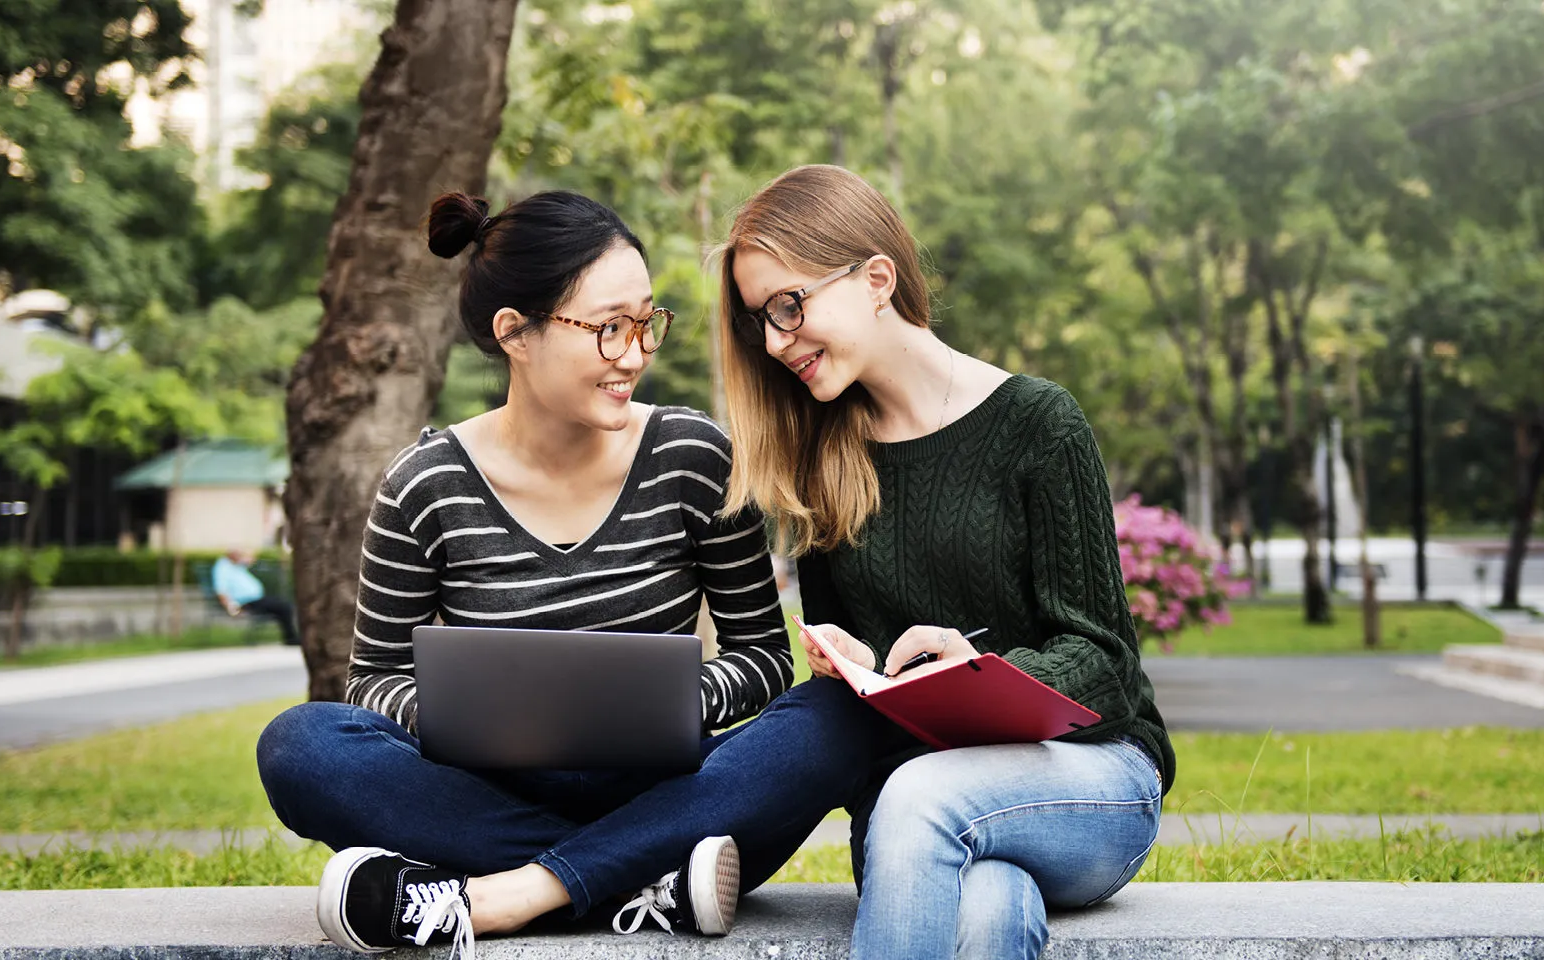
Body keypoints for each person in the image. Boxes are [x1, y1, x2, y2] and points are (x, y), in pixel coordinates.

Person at [255, 189, 901, 959]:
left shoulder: (692, 457)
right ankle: (640, 882)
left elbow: (762, 657)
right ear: (514, 335)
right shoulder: (425, 484)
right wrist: (475, 716)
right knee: (300, 745)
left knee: (835, 718)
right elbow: (374, 681)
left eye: (645, 324)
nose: (633, 354)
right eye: (606, 330)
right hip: (504, 795)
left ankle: (500, 895)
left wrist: (670, 702)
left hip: (671, 786)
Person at [715, 165, 1175, 960]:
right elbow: (853, 695)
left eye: (789, 305)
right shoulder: (827, 462)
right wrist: (848, 668)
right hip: (915, 812)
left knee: (923, 799)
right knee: (990, 907)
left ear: (877, 279)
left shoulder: (1039, 423)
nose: (775, 340)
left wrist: (983, 674)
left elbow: (1103, 657)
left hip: (1089, 785)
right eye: (761, 319)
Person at [211, 549, 298, 645]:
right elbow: (221, 590)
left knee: (282, 605)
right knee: (284, 606)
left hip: (256, 600)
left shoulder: (235, 565)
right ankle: (291, 638)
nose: (239, 555)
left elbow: (251, 559)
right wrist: (231, 608)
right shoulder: (223, 568)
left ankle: (290, 636)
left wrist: (246, 555)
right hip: (247, 602)